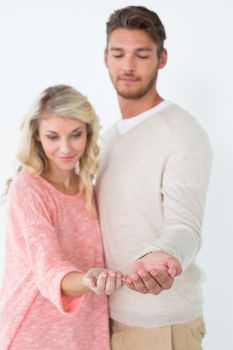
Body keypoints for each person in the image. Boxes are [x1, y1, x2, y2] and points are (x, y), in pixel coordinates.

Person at [96, 6, 212, 350]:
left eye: (141, 55)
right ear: (106, 58)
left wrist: (163, 254)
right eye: (119, 54)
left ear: (162, 59)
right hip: (112, 318)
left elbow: (186, 227)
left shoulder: (181, 132)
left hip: (163, 326)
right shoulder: (106, 138)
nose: (128, 66)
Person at [0, 84, 124, 350]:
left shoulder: (87, 188)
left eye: (75, 134)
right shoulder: (28, 188)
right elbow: (49, 269)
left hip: (85, 328)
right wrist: (90, 280)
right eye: (53, 136)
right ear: (36, 136)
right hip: (34, 330)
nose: (65, 147)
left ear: (88, 132)